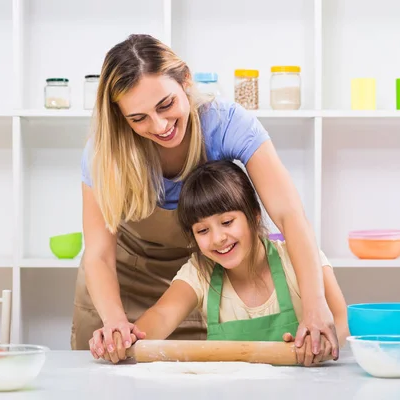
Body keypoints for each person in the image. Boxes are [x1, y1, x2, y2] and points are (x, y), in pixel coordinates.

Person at [72, 33, 340, 360]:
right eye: (138, 118)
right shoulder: (105, 154)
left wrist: (314, 306)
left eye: (166, 104)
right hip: (120, 278)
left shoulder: (226, 124)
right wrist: (114, 319)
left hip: (198, 273)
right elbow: (99, 253)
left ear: (185, 80)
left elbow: (288, 215)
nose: (160, 126)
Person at [90, 160, 349, 366]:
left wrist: (322, 346)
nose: (218, 239)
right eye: (202, 231)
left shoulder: (297, 257)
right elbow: (161, 315)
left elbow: (341, 319)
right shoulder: (200, 272)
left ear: (254, 217)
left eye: (227, 222)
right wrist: (123, 338)